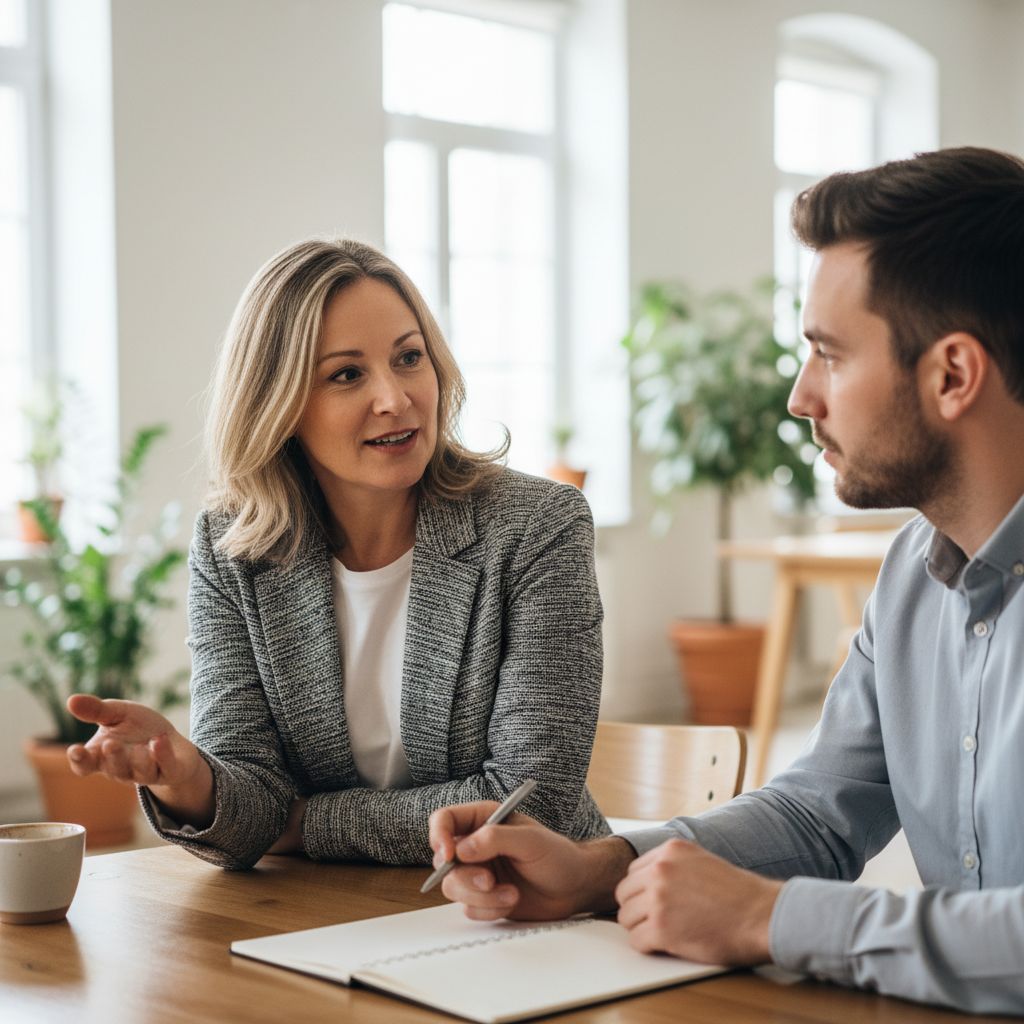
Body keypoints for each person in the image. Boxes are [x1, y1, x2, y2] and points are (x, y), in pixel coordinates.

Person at [429, 147, 1024, 1015]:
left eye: (828, 354)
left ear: (952, 375)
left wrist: (779, 919)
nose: (799, 397)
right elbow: (820, 812)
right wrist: (606, 868)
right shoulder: (911, 573)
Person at [64, 237, 609, 869]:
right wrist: (188, 779)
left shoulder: (540, 526)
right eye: (347, 374)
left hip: (532, 906)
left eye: (410, 358)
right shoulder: (232, 549)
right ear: (280, 404)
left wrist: (303, 824)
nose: (396, 398)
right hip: (317, 920)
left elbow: (525, 805)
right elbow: (251, 811)